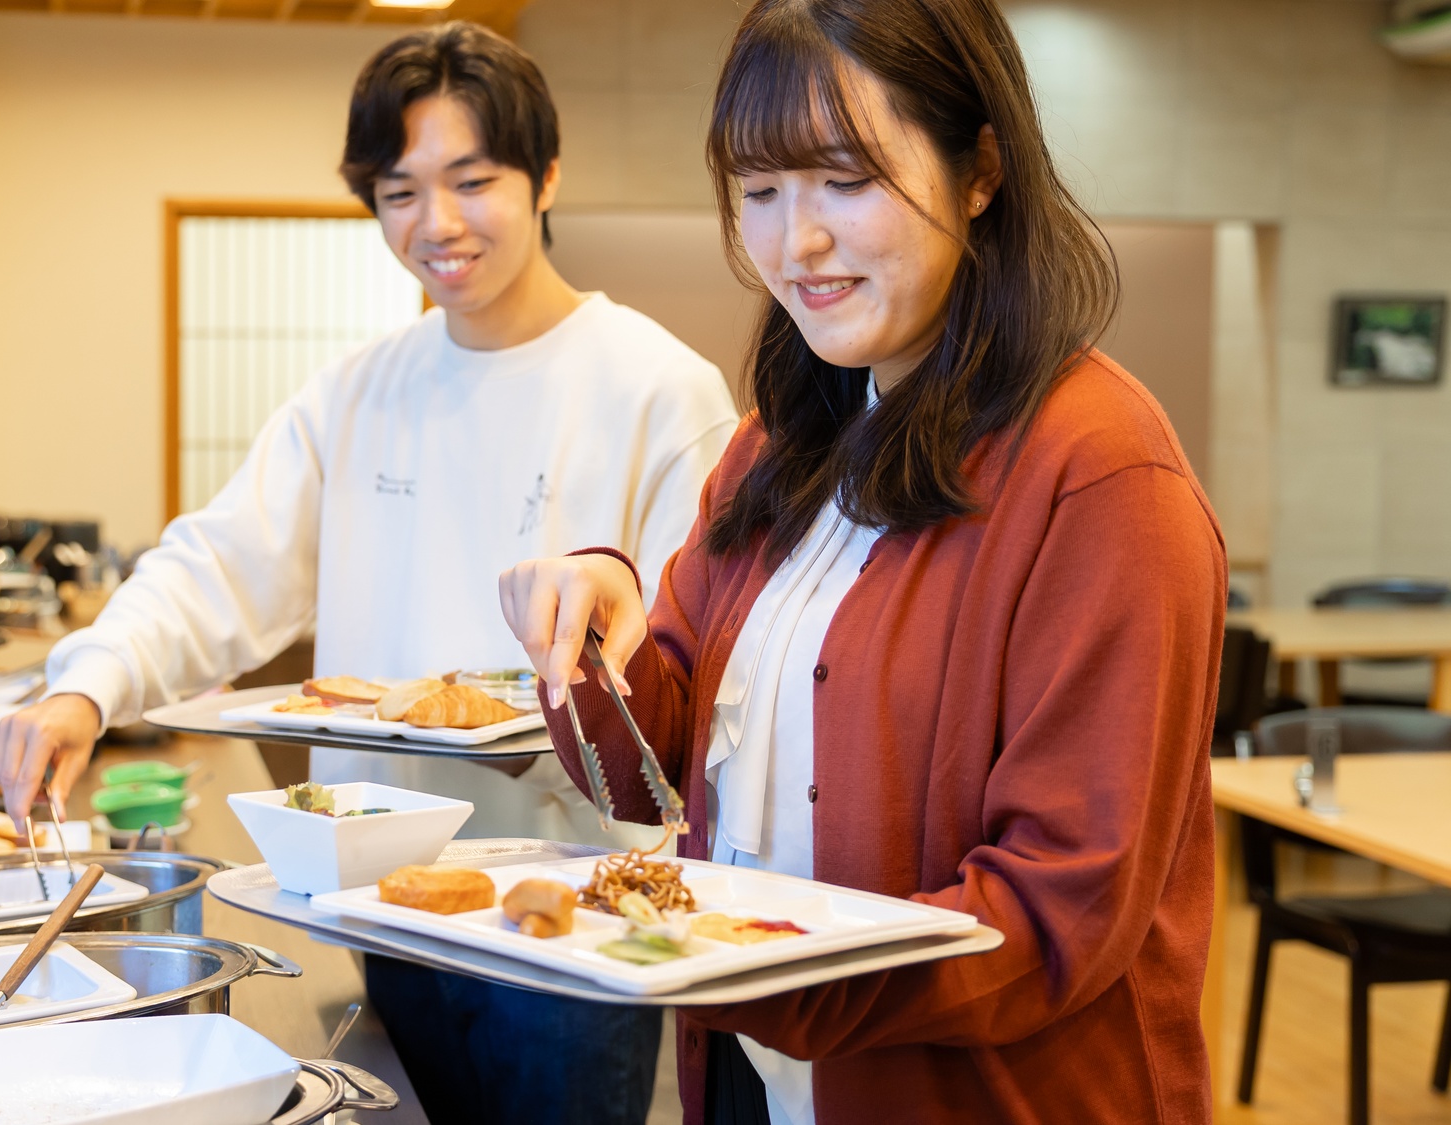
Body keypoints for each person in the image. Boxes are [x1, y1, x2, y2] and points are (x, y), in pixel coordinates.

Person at [0, 22, 737, 1124]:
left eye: (471, 180)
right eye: (397, 192)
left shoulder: (657, 392)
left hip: (567, 915)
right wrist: (85, 683)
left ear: (545, 176)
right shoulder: (357, 392)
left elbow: (690, 664)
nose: (434, 224)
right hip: (381, 894)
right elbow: (218, 566)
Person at [498, 1, 1225, 1122]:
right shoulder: (771, 448)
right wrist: (591, 638)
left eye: (845, 180)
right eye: (758, 193)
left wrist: (755, 965)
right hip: (748, 1075)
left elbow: (1058, 905)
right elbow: (651, 767)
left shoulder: (1098, 476)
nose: (796, 244)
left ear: (978, 168)